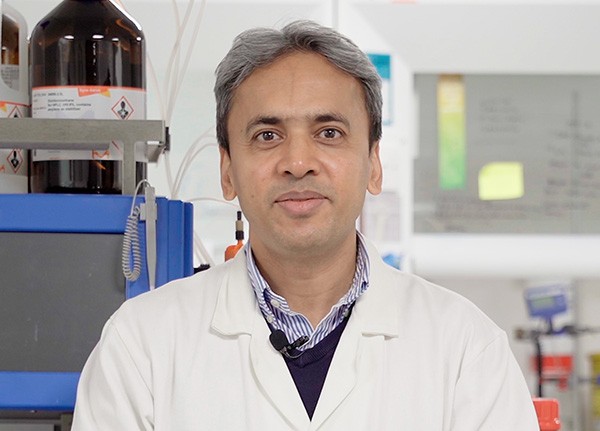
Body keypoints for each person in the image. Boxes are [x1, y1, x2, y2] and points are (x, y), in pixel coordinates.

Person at [72, 20, 539, 430]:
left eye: (329, 133)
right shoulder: (141, 346)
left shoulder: (465, 350)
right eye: (267, 136)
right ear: (227, 170)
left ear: (373, 164)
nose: (297, 162)